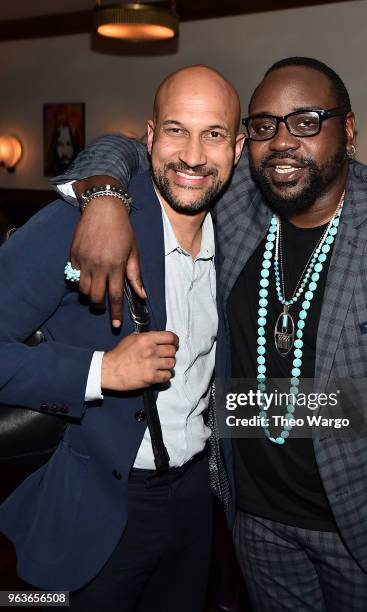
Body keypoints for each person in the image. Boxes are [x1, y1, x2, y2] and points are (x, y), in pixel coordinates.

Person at [53, 57, 367, 612]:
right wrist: (104, 196)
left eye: (306, 121)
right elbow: (130, 147)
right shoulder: (239, 201)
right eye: (266, 125)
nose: (284, 141)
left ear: (348, 130)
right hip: (252, 521)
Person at [0, 65, 245, 611]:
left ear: (238, 145)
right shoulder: (82, 224)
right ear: (151, 136)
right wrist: (100, 373)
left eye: (214, 134)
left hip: (192, 500)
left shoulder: (240, 225)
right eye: (177, 130)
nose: (193, 155)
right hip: (95, 503)